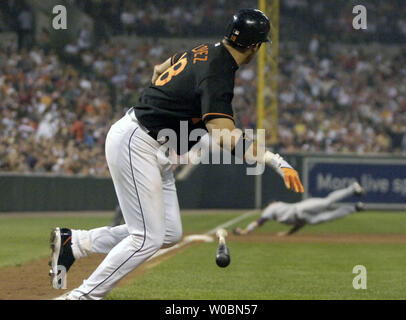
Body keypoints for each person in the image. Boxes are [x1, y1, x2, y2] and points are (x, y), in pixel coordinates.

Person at [49, 9, 304, 300]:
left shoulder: (205, 50)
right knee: (147, 238)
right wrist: (276, 161)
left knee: (169, 232)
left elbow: (160, 69)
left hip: (151, 142)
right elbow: (222, 134)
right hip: (139, 140)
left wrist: (163, 105)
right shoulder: (220, 71)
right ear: (256, 46)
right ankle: (82, 297)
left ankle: (76, 243)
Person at [233, 182, 365, 236]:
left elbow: (260, 221)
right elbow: (299, 224)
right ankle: (355, 208)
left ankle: (352, 189)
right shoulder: (280, 217)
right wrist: (288, 234)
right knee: (329, 216)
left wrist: (245, 230)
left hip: (301, 208)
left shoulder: (272, 208)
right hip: (304, 218)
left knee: (327, 202)